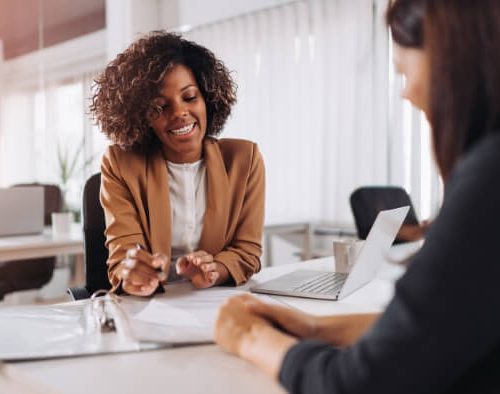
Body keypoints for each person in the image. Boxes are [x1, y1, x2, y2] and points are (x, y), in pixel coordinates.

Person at [214, 0, 500, 392]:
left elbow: (363, 383)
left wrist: (250, 338)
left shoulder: (489, 176)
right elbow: (444, 329)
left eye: (403, 72)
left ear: (453, 59)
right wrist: (314, 327)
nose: (407, 93)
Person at [90, 31, 265, 296]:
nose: (179, 113)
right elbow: (123, 255)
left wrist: (214, 271)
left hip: (214, 302)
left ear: (207, 98)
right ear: (142, 117)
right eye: (160, 107)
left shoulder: (244, 159)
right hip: (148, 308)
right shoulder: (120, 163)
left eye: (190, 97)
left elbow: (247, 251)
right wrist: (134, 273)